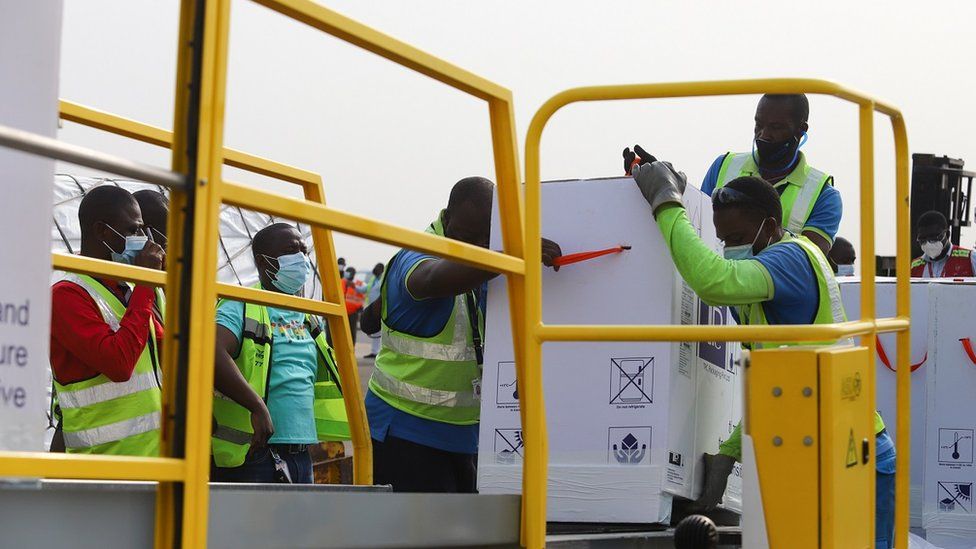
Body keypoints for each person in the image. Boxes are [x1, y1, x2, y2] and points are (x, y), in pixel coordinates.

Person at [630, 162, 894, 547]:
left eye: (736, 237)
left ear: (770, 227)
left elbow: (712, 281)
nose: (729, 249)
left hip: (852, 453)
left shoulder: (792, 259)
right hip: (812, 448)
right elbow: (775, 383)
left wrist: (666, 203)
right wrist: (730, 454)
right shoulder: (760, 292)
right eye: (723, 241)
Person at [366, 176, 562, 492]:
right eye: (469, 237)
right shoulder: (419, 253)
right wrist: (510, 255)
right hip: (405, 430)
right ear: (448, 218)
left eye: (486, 240)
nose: (478, 248)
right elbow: (431, 280)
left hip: (464, 434)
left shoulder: (479, 260)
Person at [211, 223, 349, 483]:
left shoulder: (307, 313)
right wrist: (257, 406)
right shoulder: (240, 302)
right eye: (291, 250)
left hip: (301, 451)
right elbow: (212, 353)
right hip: (254, 452)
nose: (301, 258)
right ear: (265, 262)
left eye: (304, 250)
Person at [627, 94, 842, 256]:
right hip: (717, 306)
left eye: (776, 127)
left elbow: (810, 263)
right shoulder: (723, 166)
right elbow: (697, 223)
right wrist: (661, 180)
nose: (764, 135)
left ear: (801, 130)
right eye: (759, 124)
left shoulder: (823, 194)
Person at [50, 185, 165, 455]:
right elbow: (119, 364)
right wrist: (146, 284)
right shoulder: (67, 294)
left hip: (153, 458)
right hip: (104, 462)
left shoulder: (129, 290)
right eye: (133, 230)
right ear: (101, 231)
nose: (144, 239)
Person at [911, 210, 976, 278]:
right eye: (923, 239)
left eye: (934, 237)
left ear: (947, 234)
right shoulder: (915, 267)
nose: (928, 243)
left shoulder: (970, 259)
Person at [363, 263, 384, 359]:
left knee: (379, 332)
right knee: (375, 332)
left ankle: (377, 351)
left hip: (380, 309)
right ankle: (374, 351)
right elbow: (365, 289)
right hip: (372, 308)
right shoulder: (373, 279)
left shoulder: (383, 280)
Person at [342, 266, 365, 345]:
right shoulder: (342, 282)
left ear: (353, 274)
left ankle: (351, 348)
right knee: (343, 332)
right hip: (343, 312)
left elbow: (364, 294)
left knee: (352, 332)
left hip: (353, 313)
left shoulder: (359, 284)